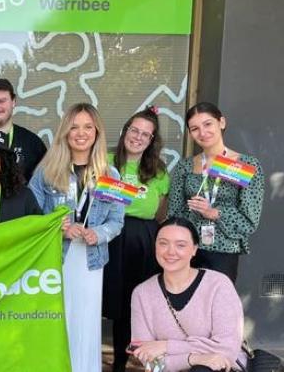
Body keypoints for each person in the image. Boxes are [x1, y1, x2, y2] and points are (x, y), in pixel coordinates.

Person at [27, 102, 124, 372]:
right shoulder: (47, 171)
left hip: (91, 261)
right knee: (57, 319)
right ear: (65, 132)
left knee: (86, 321)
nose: (81, 133)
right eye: (74, 127)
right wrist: (59, 226)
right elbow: (31, 215)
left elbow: (117, 221)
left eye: (88, 127)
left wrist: (99, 233)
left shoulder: (111, 174)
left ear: (97, 132)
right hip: (55, 257)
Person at [130, 217, 246, 372]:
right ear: (155, 246)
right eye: (163, 243)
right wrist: (193, 358)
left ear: (194, 249)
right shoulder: (142, 293)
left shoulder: (218, 285)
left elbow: (226, 350)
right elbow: (148, 361)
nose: (171, 251)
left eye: (181, 245)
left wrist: (165, 346)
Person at [103, 107, 171, 372]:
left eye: (146, 134)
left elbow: (161, 211)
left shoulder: (159, 171)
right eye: (135, 130)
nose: (138, 137)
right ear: (125, 131)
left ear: (152, 140)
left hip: (141, 241)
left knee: (133, 302)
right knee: (104, 299)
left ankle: (121, 361)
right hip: (108, 237)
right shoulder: (105, 160)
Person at [167, 102, 264, 283]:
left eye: (208, 124)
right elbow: (173, 213)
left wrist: (213, 212)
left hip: (224, 251)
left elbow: (249, 221)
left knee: (217, 306)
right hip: (187, 250)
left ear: (222, 122)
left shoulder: (246, 166)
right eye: (195, 128)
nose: (202, 132)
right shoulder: (185, 166)